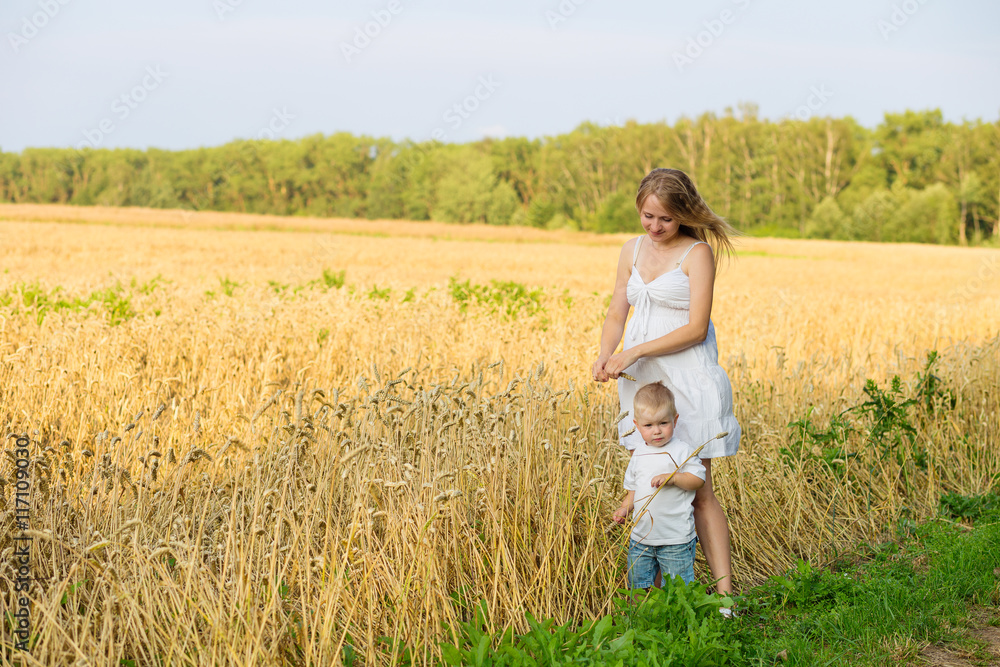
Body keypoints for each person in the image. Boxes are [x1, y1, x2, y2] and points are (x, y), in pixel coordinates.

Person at [593, 167, 741, 596]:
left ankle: (725, 598)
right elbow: (617, 312)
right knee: (651, 481)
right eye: (647, 216)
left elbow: (696, 328)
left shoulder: (697, 254)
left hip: (687, 379)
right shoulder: (631, 249)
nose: (655, 227)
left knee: (699, 491)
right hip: (642, 382)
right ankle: (659, 599)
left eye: (666, 218)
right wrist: (606, 353)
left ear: (684, 214)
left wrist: (635, 350)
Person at [612, 382, 705, 588]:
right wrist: (624, 508)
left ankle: (677, 619)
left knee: (678, 589)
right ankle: (640, 619)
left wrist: (674, 478)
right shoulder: (638, 455)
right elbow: (633, 491)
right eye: (648, 426)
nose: (657, 431)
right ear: (637, 425)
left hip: (675, 539)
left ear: (675, 419)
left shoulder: (682, 451)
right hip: (641, 539)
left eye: (663, 423)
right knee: (638, 585)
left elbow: (698, 480)